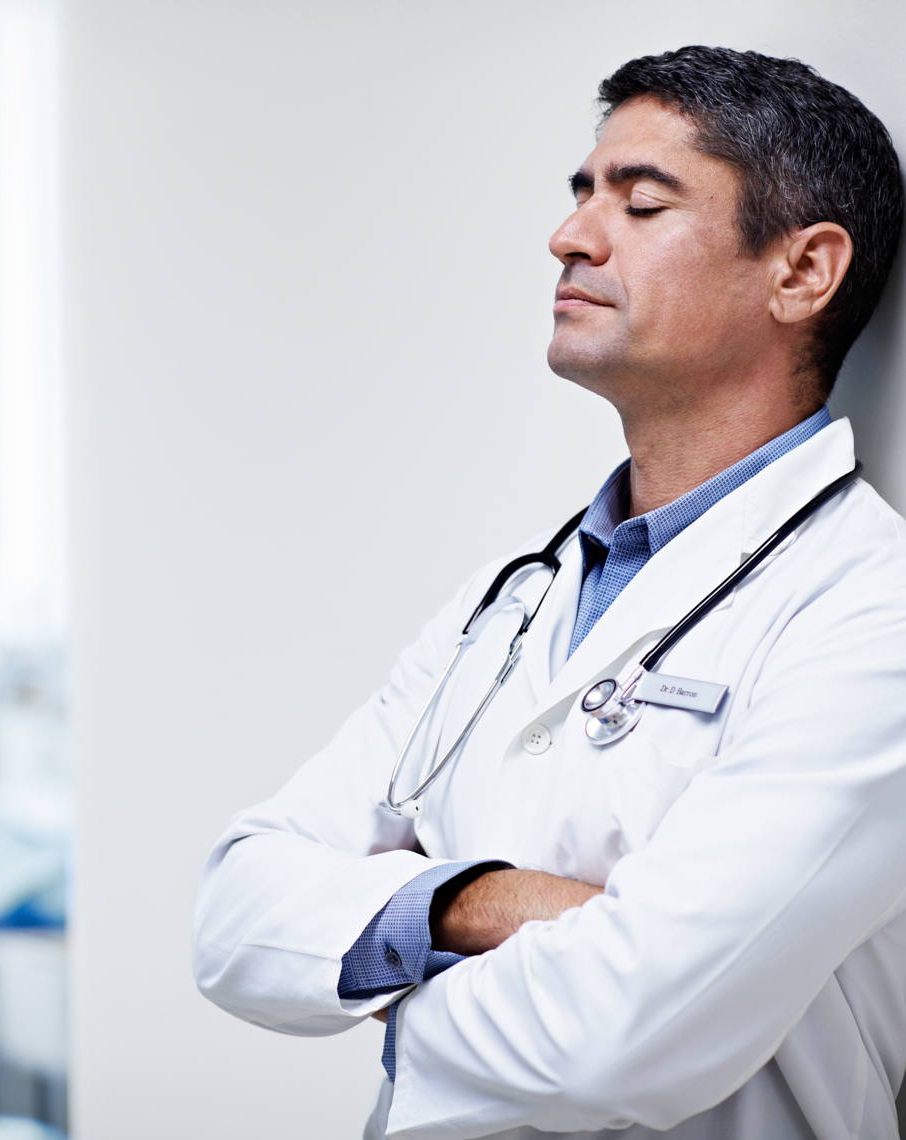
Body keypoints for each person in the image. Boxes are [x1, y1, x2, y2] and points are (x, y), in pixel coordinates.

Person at [192, 45, 906, 1140]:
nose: (570, 235)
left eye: (641, 201)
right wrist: (481, 902)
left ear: (802, 273)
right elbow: (238, 910)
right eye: (582, 193)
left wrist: (380, 963)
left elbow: (618, 1038)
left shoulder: (870, 610)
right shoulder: (513, 595)